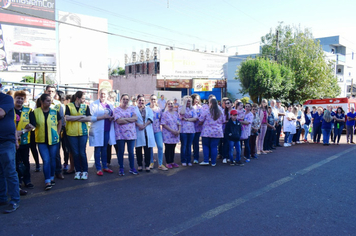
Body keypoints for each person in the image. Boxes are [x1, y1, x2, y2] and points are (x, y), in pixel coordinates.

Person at [33, 94, 62, 190]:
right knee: (46, 160)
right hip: (41, 140)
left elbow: (60, 121)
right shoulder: (35, 112)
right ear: (42, 101)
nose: (50, 103)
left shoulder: (54, 111)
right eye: (47, 101)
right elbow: (32, 124)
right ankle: (47, 180)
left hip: (53, 140)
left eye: (50, 101)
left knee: (53, 159)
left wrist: (57, 133)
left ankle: (52, 176)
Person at [0, 88, 20, 213]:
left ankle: (14, 200)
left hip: (6, 142)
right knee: (0, 173)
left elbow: (1, 113)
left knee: (10, 172)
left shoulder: (6, 99)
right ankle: (2, 198)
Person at [65, 91, 92, 180]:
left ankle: (85, 171)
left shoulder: (85, 106)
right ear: (77, 98)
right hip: (71, 133)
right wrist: (81, 117)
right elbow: (67, 118)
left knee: (82, 152)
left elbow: (89, 118)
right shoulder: (69, 106)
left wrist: (75, 118)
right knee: (75, 153)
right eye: (83, 98)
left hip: (83, 132)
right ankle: (77, 171)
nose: (84, 100)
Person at [89, 88, 115, 176]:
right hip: (97, 130)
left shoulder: (110, 105)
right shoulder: (93, 104)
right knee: (98, 149)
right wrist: (103, 117)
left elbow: (112, 115)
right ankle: (98, 168)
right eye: (101, 94)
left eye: (105, 94)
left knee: (105, 149)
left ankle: (105, 166)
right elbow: (90, 117)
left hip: (107, 129)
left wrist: (111, 118)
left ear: (107, 95)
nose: (103, 95)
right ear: (99, 94)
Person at [13, 91, 36, 190]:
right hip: (12, 141)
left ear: (24, 100)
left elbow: (33, 124)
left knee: (25, 161)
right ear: (14, 98)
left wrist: (21, 132)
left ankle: (27, 180)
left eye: (22, 99)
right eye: (18, 98)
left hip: (25, 140)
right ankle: (17, 181)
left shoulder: (29, 110)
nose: (19, 100)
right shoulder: (9, 110)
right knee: (14, 162)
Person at [114, 94, 138, 176]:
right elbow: (118, 121)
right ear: (121, 100)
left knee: (131, 152)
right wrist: (129, 119)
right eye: (124, 99)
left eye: (127, 99)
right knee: (121, 151)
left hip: (131, 134)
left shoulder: (132, 108)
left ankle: (132, 167)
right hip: (120, 134)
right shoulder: (116, 109)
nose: (125, 101)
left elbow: (135, 118)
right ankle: (121, 167)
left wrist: (124, 119)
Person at [44, 85, 64, 180]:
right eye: (48, 91)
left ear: (55, 93)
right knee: (46, 156)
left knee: (56, 154)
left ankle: (58, 171)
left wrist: (58, 132)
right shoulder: (40, 102)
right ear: (45, 91)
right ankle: (48, 173)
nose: (50, 93)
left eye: (52, 91)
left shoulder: (58, 104)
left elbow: (61, 119)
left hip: (55, 133)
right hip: (43, 133)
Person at [199, 98, 225, 166]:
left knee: (205, 146)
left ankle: (206, 160)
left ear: (210, 103)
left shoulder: (206, 111)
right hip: (217, 132)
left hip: (207, 131)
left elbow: (201, 120)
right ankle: (213, 162)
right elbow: (223, 121)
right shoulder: (220, 111)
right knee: (214, 147)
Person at [135, 94, 155, 172]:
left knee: (147, 149)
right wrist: (138, 125)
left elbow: (150, 118)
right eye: (139, 100)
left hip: (147, 130)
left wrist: (144, 125)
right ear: (137, 101)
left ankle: (147, 165)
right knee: (138, 149)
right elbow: (132, 119)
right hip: (138, 130)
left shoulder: (148, 109)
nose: (141, 102)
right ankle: (139, 165)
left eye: (143, 100)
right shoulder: (134, 109)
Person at [149, 95, 168, 170]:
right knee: (150, 147)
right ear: (150, 100)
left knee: (160, 146)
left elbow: (161, 120)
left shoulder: (159, 110)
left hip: (157, 131)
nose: (153, 101)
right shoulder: (147, 109)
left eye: (154, 99)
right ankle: (151, 162)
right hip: (150, 131)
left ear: (157, 101)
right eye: (152, 99)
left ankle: (160, 164)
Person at [161, 100, 181, 169]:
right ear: (166, 105)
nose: (170, 105)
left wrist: (178, 131)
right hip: (168, 133)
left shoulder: (176, 113)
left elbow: (179, 122)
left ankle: (172, 161)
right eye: (169, 104)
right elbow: (164, 124)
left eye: (171, 104)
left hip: (175, 133)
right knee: (168, 148)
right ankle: (168, 162)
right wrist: (172, 131)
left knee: (173, 148)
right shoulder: (164, 114)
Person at [179, 96, 197, 166]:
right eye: (187, 101)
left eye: (189, 101)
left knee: (189, 146)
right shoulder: (181, 107)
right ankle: (183, 160)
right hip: (183, 130)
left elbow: (195, 118)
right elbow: (181, 114)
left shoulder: (193, 109)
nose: (188, 102)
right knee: (184, 145)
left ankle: (188, 160)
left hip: (191, 130)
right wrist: (184, 104)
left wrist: (187, 119)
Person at [191, 94, 203, 164]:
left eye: (198, 99)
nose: (197, 100)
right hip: (189, 128)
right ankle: (187, 157)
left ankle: (196, 157)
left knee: (196, 143)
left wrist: (200, 120)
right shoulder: (190, 107)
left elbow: (202, 116)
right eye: (196, 99)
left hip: (197, 128)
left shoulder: (200, 107)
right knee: (189, 143)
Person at [222, 99, 233, 163]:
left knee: (231, 144)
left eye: (228, 103)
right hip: (225, 129)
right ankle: (224, 157)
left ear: (231, 103)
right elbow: (222, 120)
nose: (227, 105)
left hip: (232, 129)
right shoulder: (224, 111)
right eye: (226, 103)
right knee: (225, 143)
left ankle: (229, 156)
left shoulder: (234, 111)